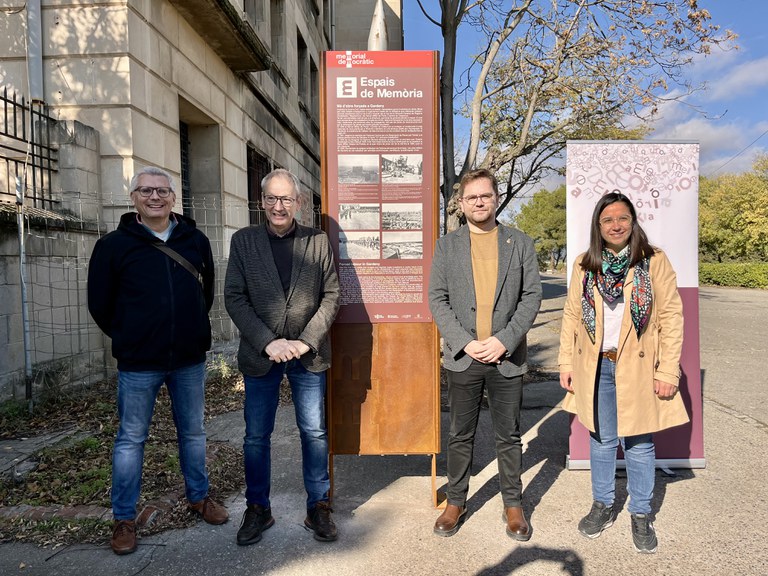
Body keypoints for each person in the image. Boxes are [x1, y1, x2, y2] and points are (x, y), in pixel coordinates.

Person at [88, 166, 228, 556]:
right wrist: (132, 335)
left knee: (194, 433)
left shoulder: (195, 241)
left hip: (188, 359)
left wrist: (193, 332)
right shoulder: (114, 246)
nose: (155, 197)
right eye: (146, 190)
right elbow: (99, 304)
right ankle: (124, 519)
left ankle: (199, 498)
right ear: (133, 197)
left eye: (162, 191)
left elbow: (207, 293)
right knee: (131, 440)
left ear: (173, 198)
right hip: (138, 362)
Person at [558, 192, 689, 554]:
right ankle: (602, 504)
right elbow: (572, 315)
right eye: (608, 220)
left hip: (640, 367)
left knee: (640, 443)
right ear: (598, 226)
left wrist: (668, 371)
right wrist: (565, 363)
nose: (615, 225)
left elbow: (671, 318)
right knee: (601, 440)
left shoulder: (653, 260)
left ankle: (641, 513)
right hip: (596, 365)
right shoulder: (586, 263)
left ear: (633, 222)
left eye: (622, 218)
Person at [224, 168, 340, 545]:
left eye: (286, 199)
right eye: (272, 198)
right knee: (257, 436)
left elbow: (332, 295)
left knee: (315, 432)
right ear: (261, 202)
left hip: (308, 356)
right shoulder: (243, 242)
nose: (279, 206)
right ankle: (258, 508)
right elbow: (235, 297)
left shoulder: (318, 241)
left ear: (298, 203)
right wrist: (267, 341)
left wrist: (306, 341)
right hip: (262, 356)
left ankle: (318, 507)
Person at [428, 169, 542, 540]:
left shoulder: (520, 243)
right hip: (464, 358)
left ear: (496, 197)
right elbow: (437, 299)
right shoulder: (447, 246)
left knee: (508, 435)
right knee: (461, 433)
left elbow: (531, 298)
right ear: (461, 204)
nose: (479, 202)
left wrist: (504, 340)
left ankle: (513, 505)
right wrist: (464, 341)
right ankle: (456, 502)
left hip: (505, 358)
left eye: (485, 196)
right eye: (471, 197)